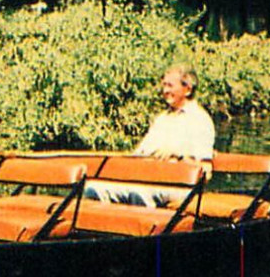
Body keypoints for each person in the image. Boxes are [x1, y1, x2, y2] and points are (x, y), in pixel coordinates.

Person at [89, 64, 215, 205]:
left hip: (179, 187)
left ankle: (148, 225)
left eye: (170, 86)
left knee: (139, 192)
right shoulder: (162, 118)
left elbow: (206, 172)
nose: (165, 90)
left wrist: (179, 156)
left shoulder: (200, 120)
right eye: (164, 85)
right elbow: (139, 154)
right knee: (95, 188)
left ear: (187, 89)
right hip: (149, 179)